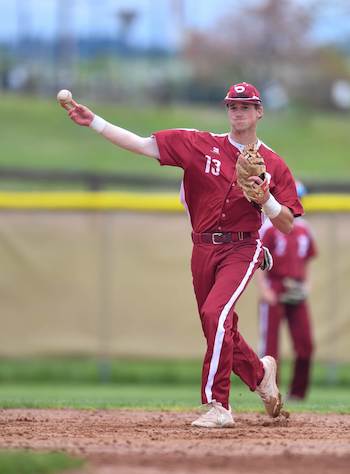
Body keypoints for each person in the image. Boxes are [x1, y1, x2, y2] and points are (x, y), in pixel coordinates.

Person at [62, 81, 303, 428]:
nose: (239, 112)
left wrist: (266, 198)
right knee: (217, 325)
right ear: (228, 111)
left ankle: (218, 405)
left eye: (247, 106)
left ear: (259, 112)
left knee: (215, 313)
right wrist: (95, 122)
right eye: (234, 107)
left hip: (243, 246)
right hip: (203, 247)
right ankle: (261, 373)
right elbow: (143, 145)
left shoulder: (274, 164)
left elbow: (287, 223)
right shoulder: (200, 144)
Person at [256, 181, 317, 401]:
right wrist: (264, 288)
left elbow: (307, 259)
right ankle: (271, 392)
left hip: (296, 288)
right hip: (275, 286)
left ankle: (298, 393)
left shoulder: (304, 229)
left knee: (305, 344)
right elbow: (258, 259)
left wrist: (306, 285)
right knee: (270, 347)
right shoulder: (270, 228)